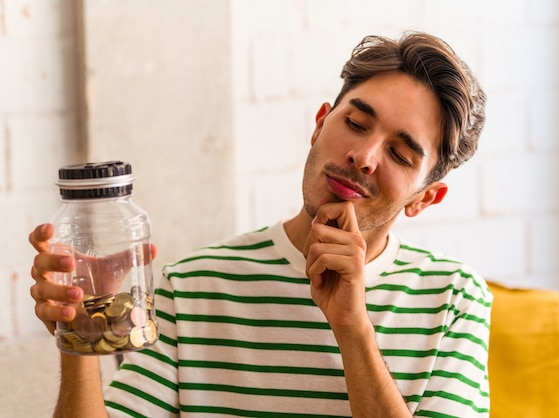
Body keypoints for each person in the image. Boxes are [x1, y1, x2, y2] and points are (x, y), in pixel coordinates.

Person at [29, 31, 490, 417]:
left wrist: (353, 329)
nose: (363, 157)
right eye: (354, 122)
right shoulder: (192, 286)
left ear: (424, 199)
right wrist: (78, 331)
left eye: (399, 154)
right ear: (319, 125)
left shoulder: (455, 297)